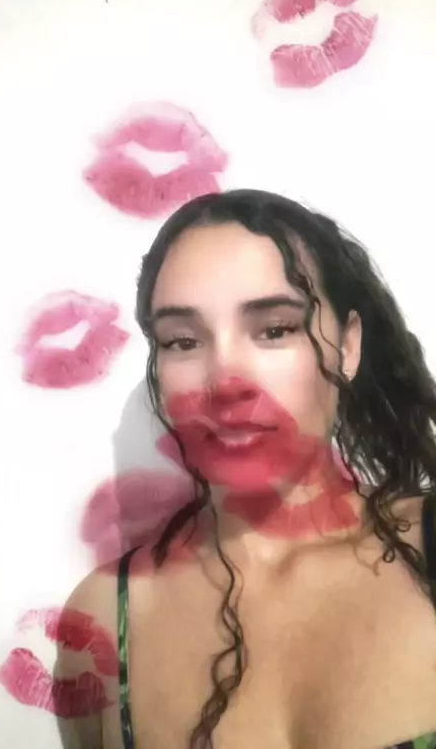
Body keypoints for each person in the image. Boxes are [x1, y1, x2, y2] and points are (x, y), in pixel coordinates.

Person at [56, 189, 436, 749]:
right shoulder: (101, 622)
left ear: (348, 346)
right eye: (183, 341)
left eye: (275, 329)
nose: (226, 380)